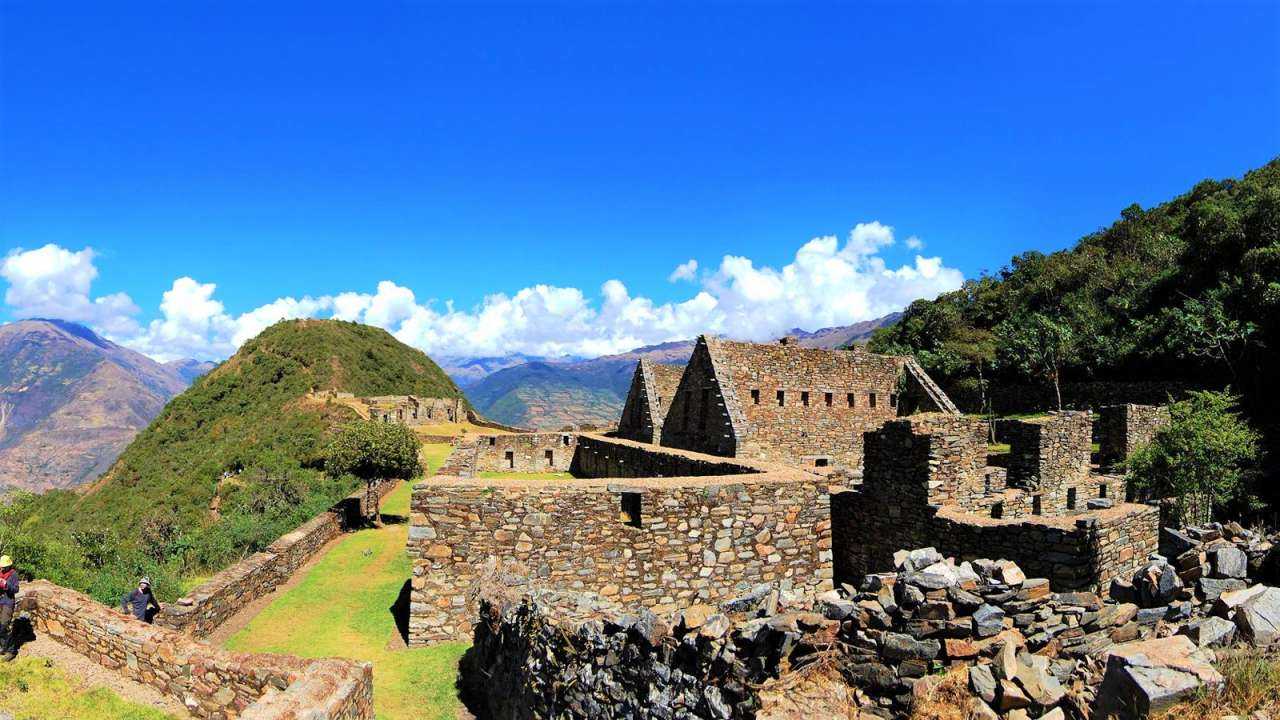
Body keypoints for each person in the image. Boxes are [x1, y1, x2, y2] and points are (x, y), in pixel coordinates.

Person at [0, 555, 19, 661]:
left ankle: (11, 651)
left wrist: (6, 585)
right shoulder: (0, 572)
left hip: (8, 602)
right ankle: (3, 647)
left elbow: (16, 589)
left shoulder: (13, 575)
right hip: (0, 601)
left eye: (3, 566)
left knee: (4, 627)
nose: (2, 568)